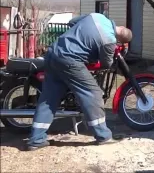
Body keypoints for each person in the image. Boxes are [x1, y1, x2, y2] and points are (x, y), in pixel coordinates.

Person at [26, 13, 133, 151]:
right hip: (70, 60)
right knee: (93, 93)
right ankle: (103, 135)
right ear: (120, 41)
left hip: (54, 53)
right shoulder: (109, 40)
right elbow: (106, 64)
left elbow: (72, 22)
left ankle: (36, 139)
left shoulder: (97, 16)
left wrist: (79, 39)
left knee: (48, 98)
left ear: (121, 26)